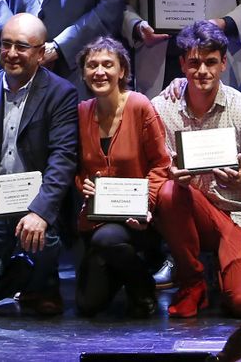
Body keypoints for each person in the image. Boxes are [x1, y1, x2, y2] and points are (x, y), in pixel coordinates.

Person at [0, 13, 80, 316]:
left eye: (21, 47)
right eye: (5, 45)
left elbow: (63, 158)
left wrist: (41, 211)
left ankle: (43, 281)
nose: (11, 54)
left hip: (37, 206)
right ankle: (23, 272)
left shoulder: (61, 93)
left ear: (40, 52)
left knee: (46, 237)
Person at [151, 21, 241, 318]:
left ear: (222, 64)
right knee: (170, 191)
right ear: (182, 65)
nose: (202, 71)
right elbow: (153, 172)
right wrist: (173, 177)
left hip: (240, 216)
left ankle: (221, 272)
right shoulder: (160, 108)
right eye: (194, 63)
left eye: (210, 62)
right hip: (191, 215)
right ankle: (193, 281)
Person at [72, 38, 171, 318]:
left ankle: (143, 286)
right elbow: (76, 168)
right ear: (83, 73)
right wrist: (83, 184)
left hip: (138, 220)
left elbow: (161, 162)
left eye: (107, 65)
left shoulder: (139, 106)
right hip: (96, 218)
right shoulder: (81, 112)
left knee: (107, 240)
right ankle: (126, 275)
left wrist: (146, 205)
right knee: (87, 304)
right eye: (92, 66)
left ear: (122, 71)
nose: (99, 72)